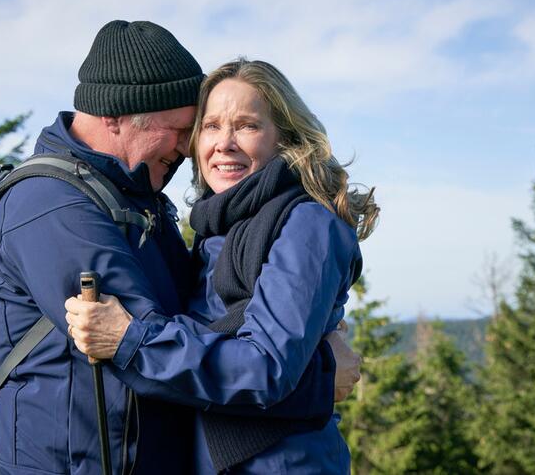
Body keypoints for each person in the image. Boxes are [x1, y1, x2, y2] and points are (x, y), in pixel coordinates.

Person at [0, 22, 356, 475]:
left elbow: (198, 345)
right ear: (115, 116)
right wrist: (323, 373)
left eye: (246, 126)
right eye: (193, 127)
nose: (191, 146)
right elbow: (143, 347)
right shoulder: (55, 208)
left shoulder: (141, 204)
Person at [66, 58, 379, 473]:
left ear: (283, 138)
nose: (224, 143)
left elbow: (265, 369)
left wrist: (130, 340)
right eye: (211, 126)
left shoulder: (306, 223)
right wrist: (322, 373)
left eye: (247, 125)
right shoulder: (218, 230)